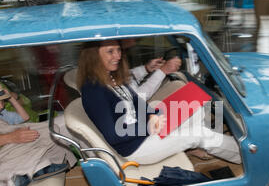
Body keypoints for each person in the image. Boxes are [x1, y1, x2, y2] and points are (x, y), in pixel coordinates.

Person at [77, 40, 242, 165]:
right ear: (93, 55)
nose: (118, 56)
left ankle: (197, 146)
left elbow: (137, 103)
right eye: (110, 51)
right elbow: (114, 135)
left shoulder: (111, 76)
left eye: (118, 50)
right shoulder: (93, 90)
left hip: (145, 130)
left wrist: (155, 116)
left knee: (194, 106)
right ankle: (244, 154)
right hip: (135, 148)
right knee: (198, 133)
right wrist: (149, 125)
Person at [0, 78, 76, 186]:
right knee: (48, 133)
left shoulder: (1, 113)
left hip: (10, 150)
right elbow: (9, 133)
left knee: (44, 136)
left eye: (2, 101)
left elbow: (24, 118)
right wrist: (25, 132)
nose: (0, 106)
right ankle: (13, 178)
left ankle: (25, 175)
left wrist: (11, 99)